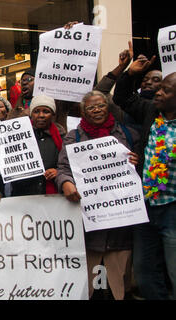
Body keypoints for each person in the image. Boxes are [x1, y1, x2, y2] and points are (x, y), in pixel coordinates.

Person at [56, 90, 140, 300]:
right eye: (91, 107)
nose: (97, 110)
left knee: (119, 289)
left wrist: (137, 164)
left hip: (121, 228)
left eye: (101, 105)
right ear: (84, 111)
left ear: (108, 107)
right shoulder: (73, 137)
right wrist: (65, 182)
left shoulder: (129, 135)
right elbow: (63, 168)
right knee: (91, 289)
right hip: (89, 228)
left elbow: (146, 173)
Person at [113, 52, 176, 300]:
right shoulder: (151, 112)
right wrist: (130, 73)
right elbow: (121, 98)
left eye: (166, 91)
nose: (158, 93)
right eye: (158, 89)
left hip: (172, 209)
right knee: (145, 269)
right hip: (147, 206)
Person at [0, 95, 65, 205]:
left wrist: (58, 172)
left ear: (53, 114)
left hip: (53, 199)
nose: (41, 115)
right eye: (36, 111)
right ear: (31, 114)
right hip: (22, 197)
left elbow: (68, 166)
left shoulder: (61, 136)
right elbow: (4, 167)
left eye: (46, 111)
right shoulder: (16, 135)